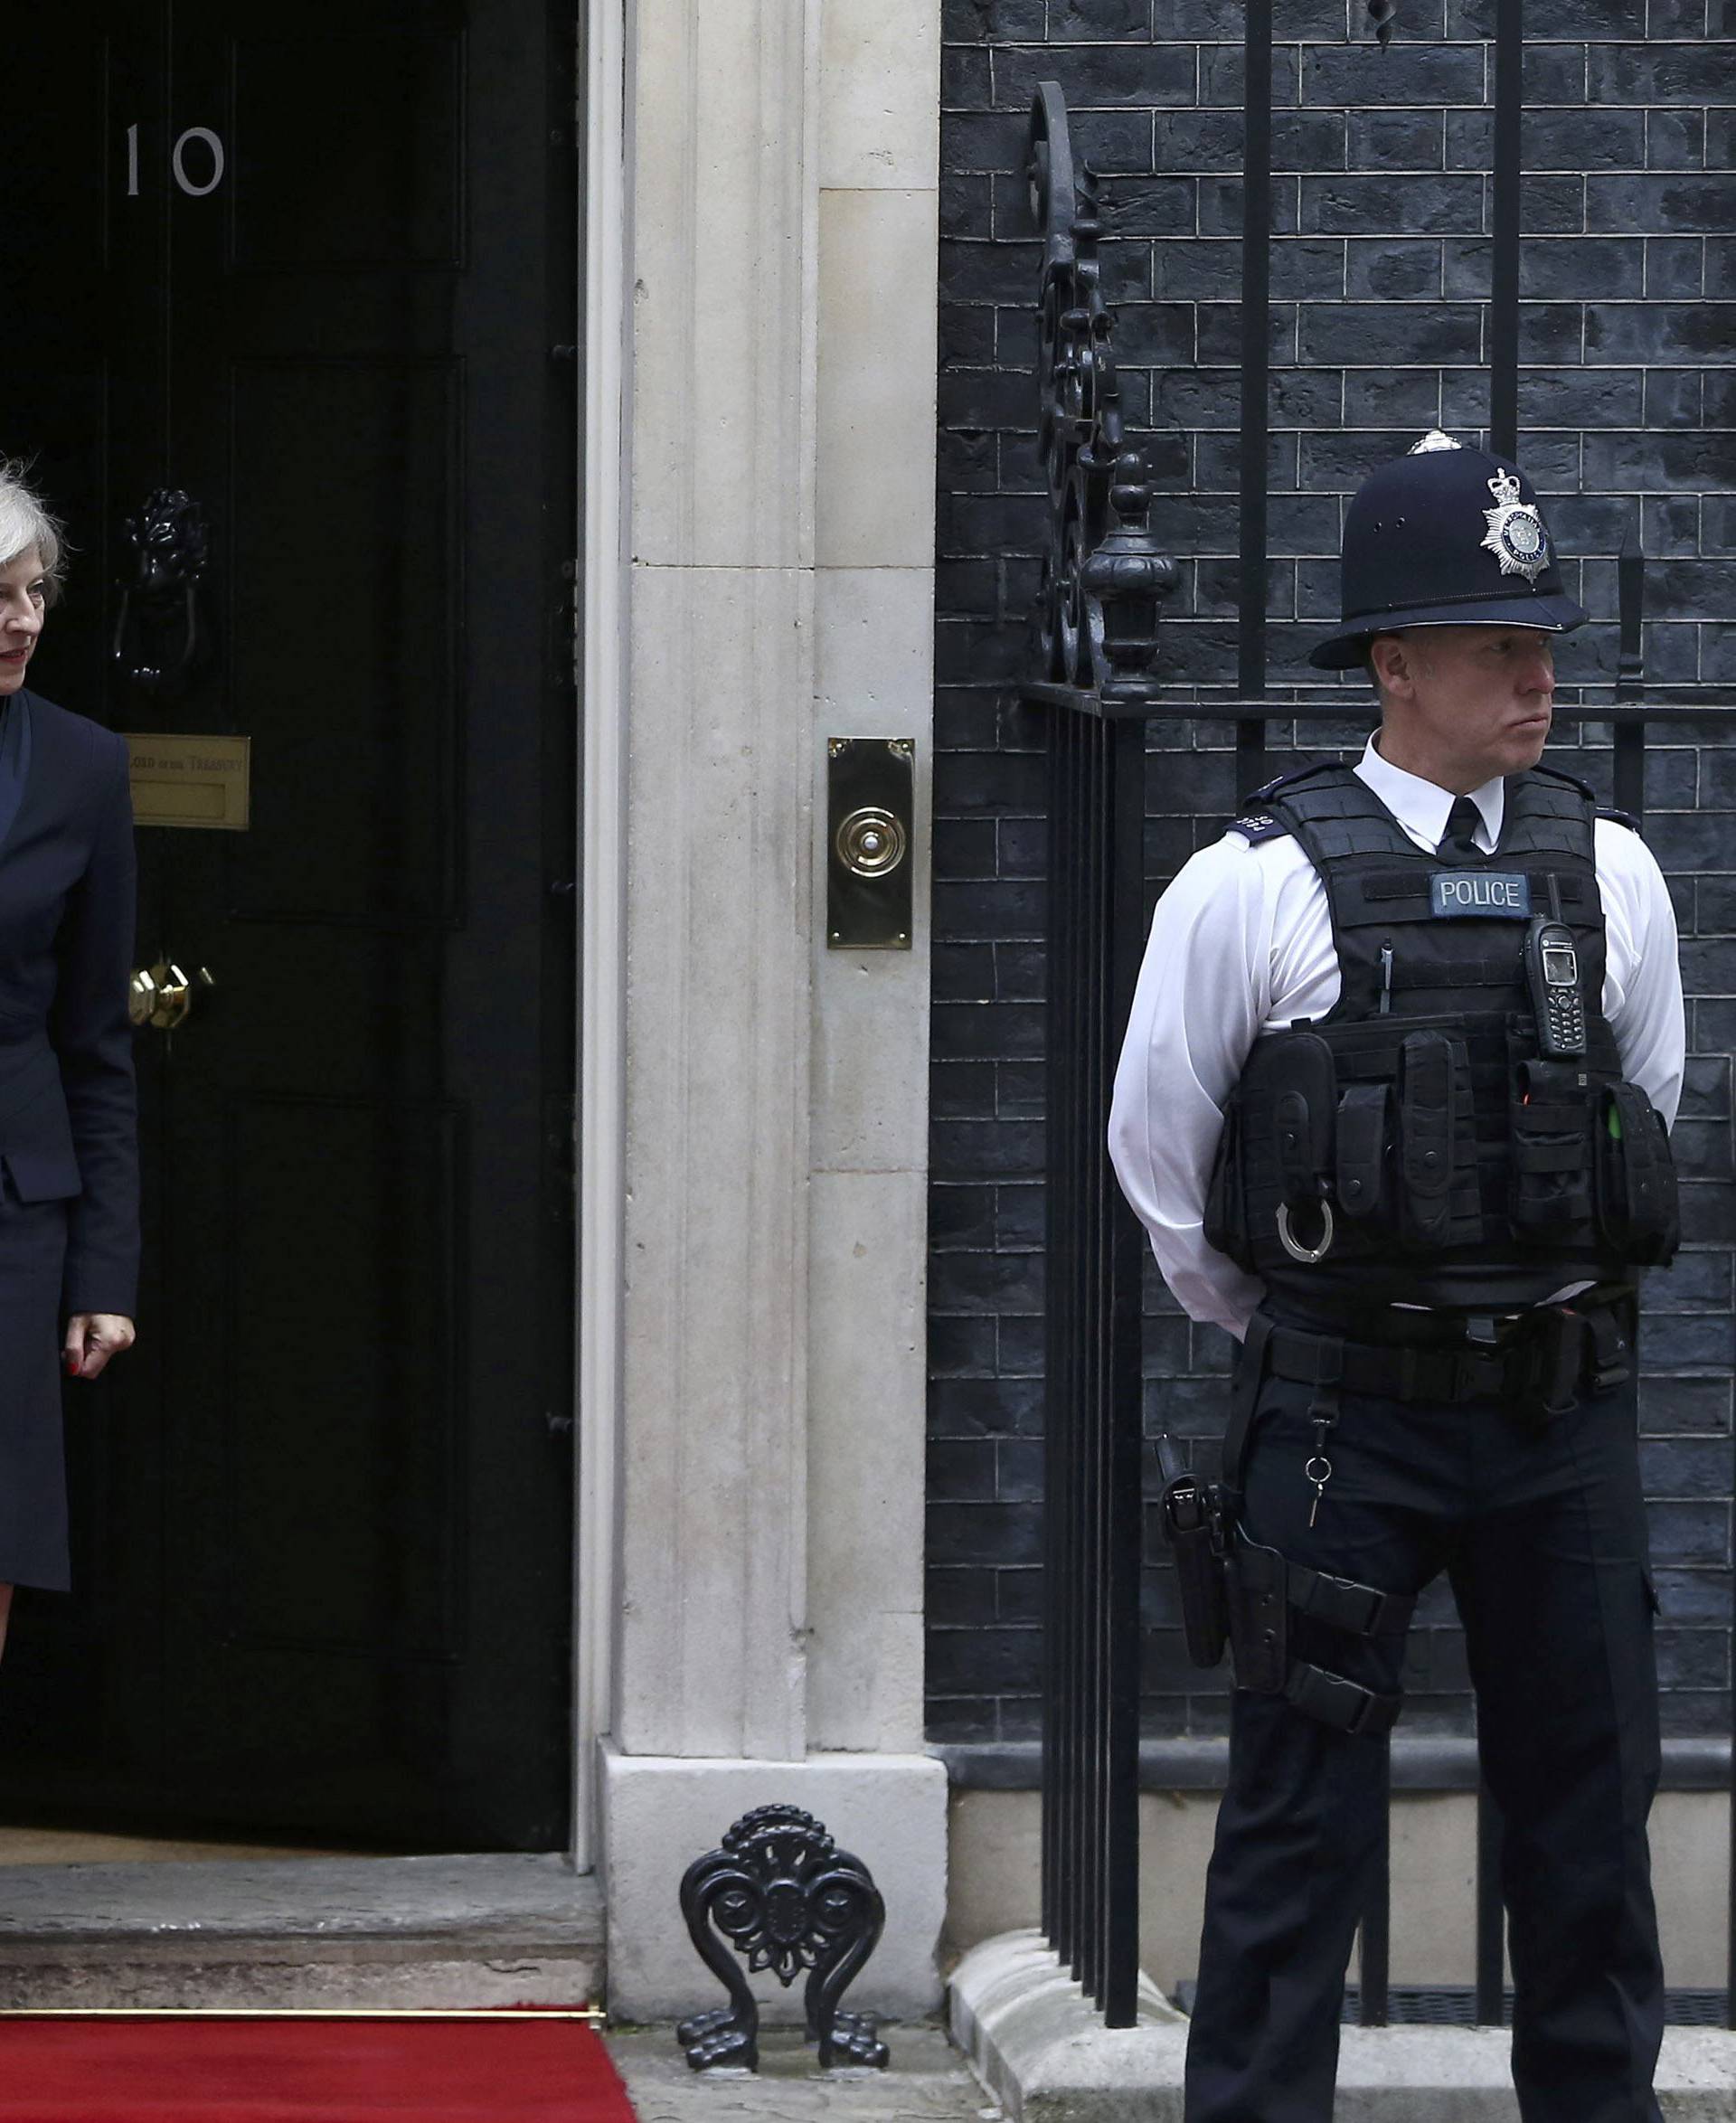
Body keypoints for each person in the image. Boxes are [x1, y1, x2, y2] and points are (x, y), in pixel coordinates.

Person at [1109, 431, 1682, 2123]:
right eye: (1499, 641)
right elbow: (1165, 1163)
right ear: (1395, 664)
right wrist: (1318, 1332)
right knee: (1295, 1833)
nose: (1538, 672)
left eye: (1546, 638)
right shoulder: (1255, 886)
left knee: (1590, 1838)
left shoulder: (1615, 875)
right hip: (1343, 1423)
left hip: (1562, 1420)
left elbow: (1638, 1119)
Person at [0, 464, 139, 1662]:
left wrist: (105, 1266)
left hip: (12, 1207)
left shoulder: (84, 767)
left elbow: (97, 1044)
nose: (23, 621)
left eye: (35, 592)